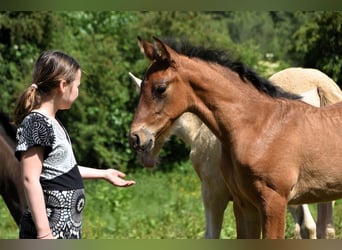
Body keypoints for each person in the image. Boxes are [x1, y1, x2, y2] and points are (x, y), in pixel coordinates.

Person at [13, 50, 136, 239]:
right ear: (63, 86)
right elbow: (30, 178)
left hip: (66, 230)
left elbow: (62, 171)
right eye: (77, 86)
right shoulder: (37, 124)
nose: (78, 91)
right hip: (50, 232)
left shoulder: (53, 123)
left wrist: (104, 173)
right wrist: (44, 233)